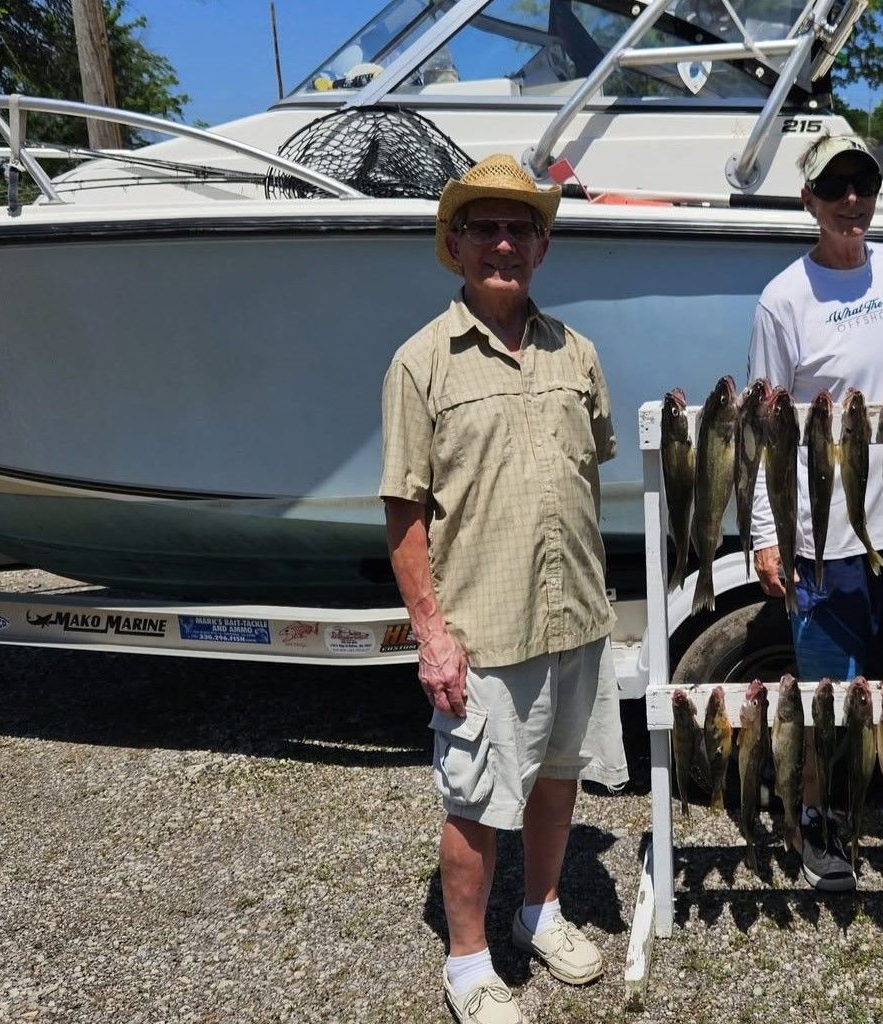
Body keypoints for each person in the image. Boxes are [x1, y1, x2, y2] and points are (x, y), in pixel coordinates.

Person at [380, 154, 624, 1024]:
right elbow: (405, 512)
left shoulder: (578, 351)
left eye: (520, 226)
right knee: (475, 803)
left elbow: (589, 470)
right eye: (485, 225)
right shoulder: (421, 363)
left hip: (575, 615)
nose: (504, 241)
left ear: (544, 245)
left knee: (559, 778)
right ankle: (469, 963)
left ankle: (542, 912)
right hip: (482, 628)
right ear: (454, 244)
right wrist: (432, 634)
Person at [747, 134, 883, 891]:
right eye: (833, 187)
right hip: (825, 540)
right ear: (807, 199)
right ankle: (821, 818)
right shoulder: (784, 299)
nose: (850, 201)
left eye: (862, 185)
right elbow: (765, 425)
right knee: (828, 697)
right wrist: (767, 535)